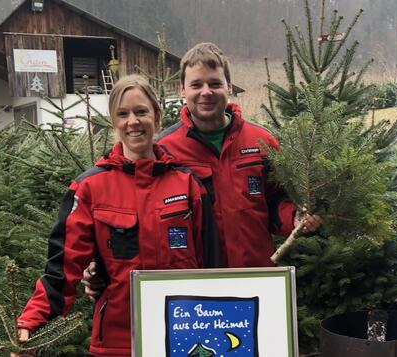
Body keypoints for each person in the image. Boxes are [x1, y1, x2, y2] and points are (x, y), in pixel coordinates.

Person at [83, 43, 321, 296]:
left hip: (255, 278)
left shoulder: (262, 141)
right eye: (196, 85)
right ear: (182, 89)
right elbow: (137, 216)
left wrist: (295, 218)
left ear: (229, 87)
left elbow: (276, 200)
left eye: (215, 84)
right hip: (193, 288)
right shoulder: (164, 150)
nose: (206, 92)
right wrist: (101, 269)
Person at [15, 75, 216, 357]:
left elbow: (212, 266)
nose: (133, 121)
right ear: (114, 121)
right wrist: (32, 323)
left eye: (141, 111)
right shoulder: (89, 188)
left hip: (185, 337)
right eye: (123, 114)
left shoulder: (187, 184)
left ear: (156, 117)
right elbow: (63, 267)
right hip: (117, 342)